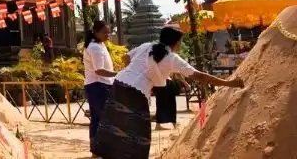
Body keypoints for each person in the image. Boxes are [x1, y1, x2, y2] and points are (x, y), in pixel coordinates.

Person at [92, 27, 244, 158]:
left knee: (114, 124)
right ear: (176, 43)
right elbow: (200, 76)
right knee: (138, 134)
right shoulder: (172, 58)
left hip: (119, 84)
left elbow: (126, 57)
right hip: (135, 92)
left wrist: (134, 71)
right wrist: (229, 83)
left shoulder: (147, 45)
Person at [82, 20, 116, 156]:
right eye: (104, 32)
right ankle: (97, 150)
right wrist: (118, 73)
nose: (108, 35)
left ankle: (99, 149)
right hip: (98, 85)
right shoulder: (95, 47)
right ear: (96, 33)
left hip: (102, 85)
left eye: (108, 32)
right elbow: (99, 70)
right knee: (99, 118)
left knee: (101, 118)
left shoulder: (99, 45)